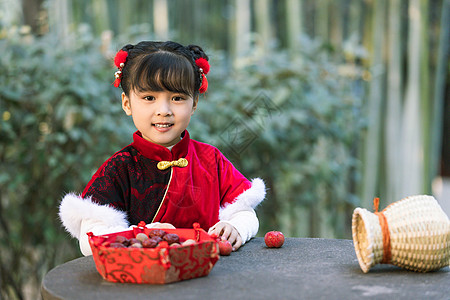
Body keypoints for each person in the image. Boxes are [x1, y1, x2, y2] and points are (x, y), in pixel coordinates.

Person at [59, 41, 266, 256]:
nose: (164, 110)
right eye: (149, 98)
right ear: (127, 103)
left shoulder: (211, 160)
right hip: (140, 283)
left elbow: (245, 212)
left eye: (177, 98)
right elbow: (90, 238)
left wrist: (237, 228)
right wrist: (143, 234)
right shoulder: (120, 168)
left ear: (194, 103)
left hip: (208, 278)